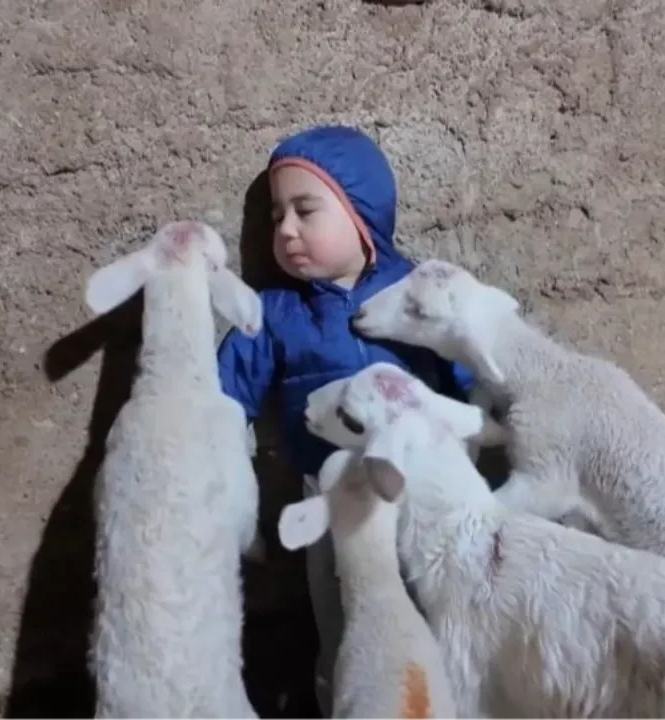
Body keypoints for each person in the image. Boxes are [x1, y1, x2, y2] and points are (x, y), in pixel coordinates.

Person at [216, 124, 475, 716]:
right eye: (276, 216)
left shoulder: (417, 294)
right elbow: (224, 394)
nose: (285, 230)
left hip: (424, 495)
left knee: (441, 617)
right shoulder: (275, 315)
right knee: (344, 629)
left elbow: (472, 380)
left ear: (361, 214)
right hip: (333, 506)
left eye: (305, 210)